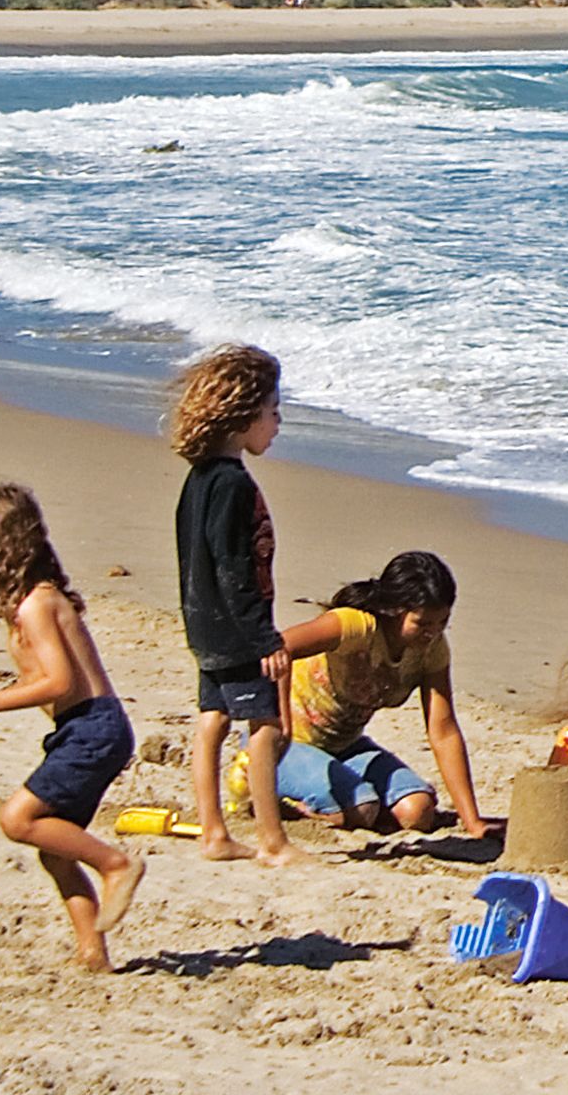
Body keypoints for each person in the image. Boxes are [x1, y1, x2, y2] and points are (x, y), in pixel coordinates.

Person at [0, 482, 140, 971]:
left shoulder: (36, 605)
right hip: (83, 729)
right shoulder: (33, 606)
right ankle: (93, 953)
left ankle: (116, 863)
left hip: (93, 728)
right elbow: (45, 679)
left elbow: (59, 680)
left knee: (18, 819)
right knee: (55, 848)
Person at [165, 345, 293, 864]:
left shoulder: (198, 480)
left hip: (203, 623)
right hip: (237, 629)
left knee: (212, 721)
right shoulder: (233, 484)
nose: (278, 423)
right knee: (265, 726)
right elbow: (233, 567)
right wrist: (265, 638)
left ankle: (214, 833)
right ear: (244, 418)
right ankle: (273, 841)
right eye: (272, 412)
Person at [269, 550, 488, 838]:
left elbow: (443, 731)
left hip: (345, 747)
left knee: (418, 811)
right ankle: (265, 785)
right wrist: (279, 725)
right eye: (423, 624)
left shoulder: (432, 651)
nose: (432, 633)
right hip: (289, 744)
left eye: (442, 623)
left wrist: (472, 821)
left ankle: (347, 795)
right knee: (363, 807)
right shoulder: (355, 626)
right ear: (395, 611)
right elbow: (279, 647)